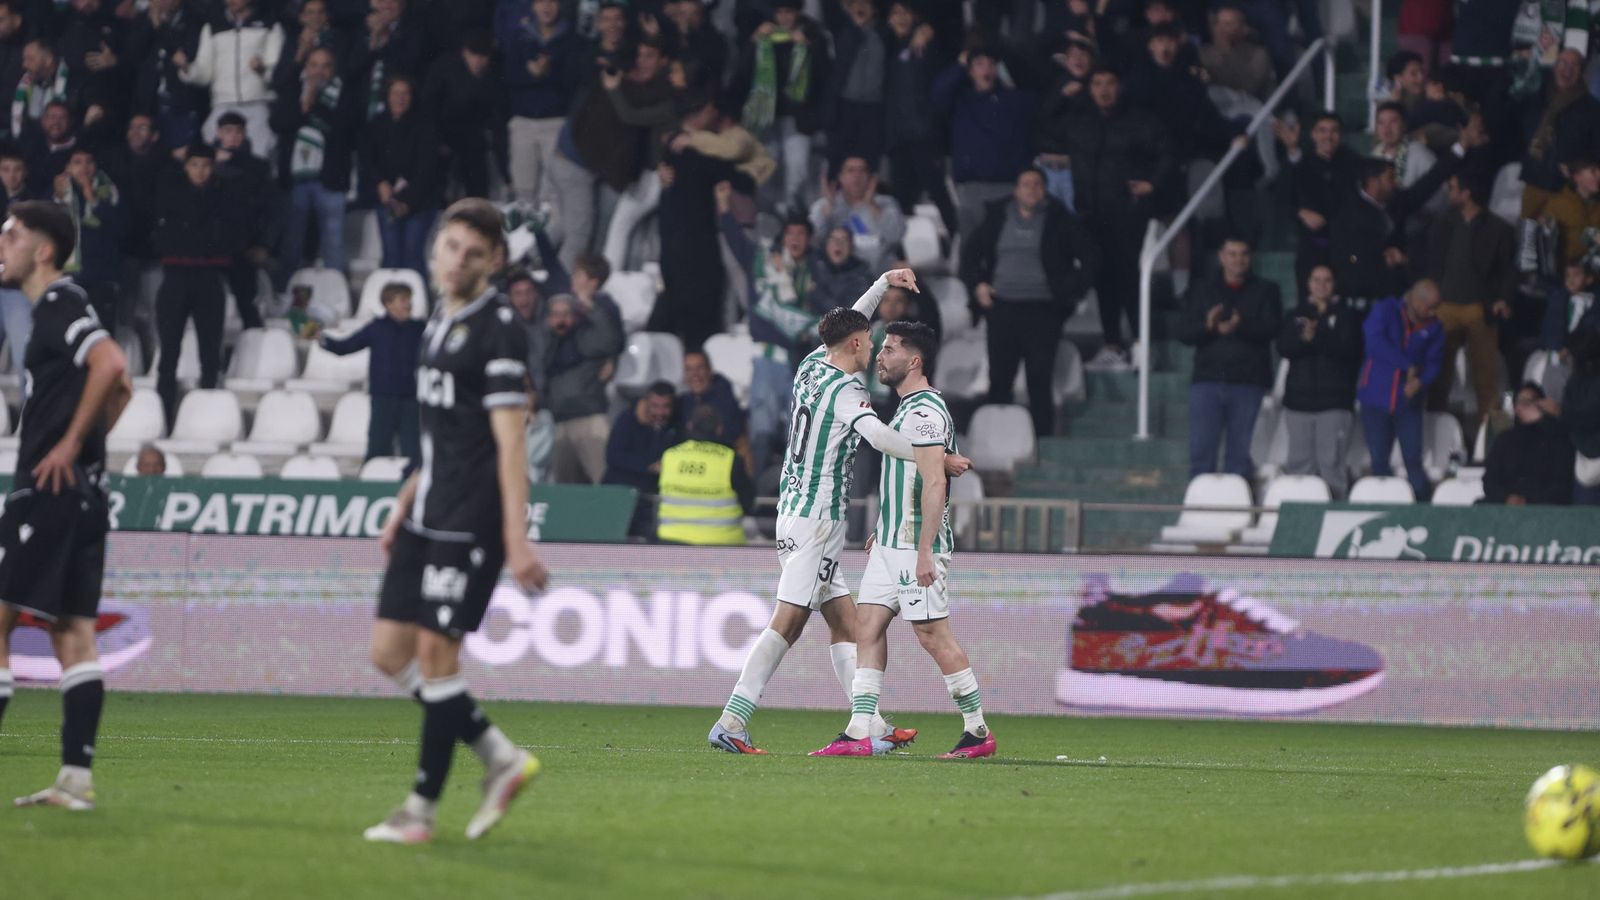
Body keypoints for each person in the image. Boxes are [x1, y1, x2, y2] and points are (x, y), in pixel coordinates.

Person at [709, 268, 970, 756]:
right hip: (816, 519)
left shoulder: (812, 364)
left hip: (799, 510)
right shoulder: (847, 391)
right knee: (788, 621)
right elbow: (878, 437)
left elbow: (852, 320)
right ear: (853, 345)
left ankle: (868, 724)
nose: (873, 348)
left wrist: (882, 283)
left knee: (847, 625)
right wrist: (934, 455)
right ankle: (732, 720)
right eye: (869, 342)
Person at [363, 198, 547, 844]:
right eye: (450, 246)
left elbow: (509, 441)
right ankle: (498, 756)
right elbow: (443, 430)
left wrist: (515, 539)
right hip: (427, 512)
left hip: (468, 523)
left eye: (473, 252)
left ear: (495, 261)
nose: (457, 260)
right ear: (435, 247)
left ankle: (418, 812)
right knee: (389, 653)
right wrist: (404, 501)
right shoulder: (440, 320)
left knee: (438, 658)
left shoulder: (498, 329)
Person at [0, 200, 133, 807]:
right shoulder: (62, 308)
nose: (2, 244)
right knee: (73, 634)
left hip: (47, 490)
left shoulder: (58, 303)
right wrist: (87, 454)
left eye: (12, 235)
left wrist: (69, 445)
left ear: (43, 250)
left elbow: (112, 363)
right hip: (83, 493)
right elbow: (120, 387)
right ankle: (74, 782)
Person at [810, 322, 993, 760]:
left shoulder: (926, 411)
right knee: (867, 629)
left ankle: (977, 731)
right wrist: (885, 525)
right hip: (891, 541)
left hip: (915, 544)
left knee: (932, 635)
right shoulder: (908, 409)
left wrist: (926, 549)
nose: (880, 355)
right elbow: (910, 474)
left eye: (890, 349)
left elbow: (934, 485)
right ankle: (859, 729)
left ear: (914, 361)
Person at [962, 167, 1097, 438]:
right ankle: (998, 440)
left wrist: (1069, 290)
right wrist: (977, 286)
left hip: (1042, 309)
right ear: (1016, 190)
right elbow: (969, 255)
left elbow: (1092, 258)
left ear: (1044, 190)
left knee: (1039, 376)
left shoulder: (1060, 220)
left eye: (1037, 184)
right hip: (1002, 307)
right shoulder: (997, 217)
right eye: (1026, 184)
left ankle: (1041, 440)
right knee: (1000, 379)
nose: (1031, 189)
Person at [151, 144, 242, 423]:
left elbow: (229, 237)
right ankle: (163, 416)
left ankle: (207, 416)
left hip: (209, 278)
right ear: (186, 166)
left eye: (205, 165)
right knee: (168, 353)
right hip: (175, 278)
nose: (200, 172)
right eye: (194, 165)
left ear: (212, 167)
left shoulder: (225, 196)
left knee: (210, 353)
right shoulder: (170, 194)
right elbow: (160, 237)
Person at [1178, 236, 1282, 479]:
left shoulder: (1267, 290)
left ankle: (1238, 513)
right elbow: (1184, 333)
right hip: (1207, 380)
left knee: (1241, 456)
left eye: (1243, 254)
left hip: (1249, 382)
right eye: (1232, 254)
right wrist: (1208, 326)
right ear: (1221, 257)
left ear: (1251, 258)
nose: (1238, 260)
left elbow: (1273, 328)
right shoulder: (1202, 289)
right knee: (1201, 453)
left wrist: (1240, 325)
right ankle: (1200, 508)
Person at [1419, 174, 1516, 431]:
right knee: (1438, 375)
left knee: (1486, 379)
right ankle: (1436, 432)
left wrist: (1503, 299)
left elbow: (1509, 271)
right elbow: (1429, 263)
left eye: (1452, 188)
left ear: (1467, 193)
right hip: (1443, 308)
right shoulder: (1440, 224)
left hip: (1479, 308)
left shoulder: (1499, 229)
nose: (1448, 193)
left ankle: (1489, 439)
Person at [272, 46, 358, 282]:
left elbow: (346, 130)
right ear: (306, 67)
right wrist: (303, 104)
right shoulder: (292, 90)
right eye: (314, 65)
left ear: (333, 70)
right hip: (295, 181)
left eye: (325, 65)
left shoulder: (345, 93)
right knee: (292, 242)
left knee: (333, 244)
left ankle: (336, 296)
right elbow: (278, 123)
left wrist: (314, 103)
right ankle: (284, 296)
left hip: (330, 180)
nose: (319, 71)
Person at [317, 282, 426, 467]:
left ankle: (414, 490)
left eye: (409, 300)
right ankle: (371, 485)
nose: (408, 304)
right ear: (388, 303)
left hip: (411, 399)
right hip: (383, 397)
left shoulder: (420, 328)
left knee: (413, 449)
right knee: (378, 446)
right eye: (403, 300)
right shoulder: (376, 328)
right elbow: (345, 346)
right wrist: (320, 338)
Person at [1277, 265, 1362, 498]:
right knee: (1299, 464)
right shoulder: (1294, 315)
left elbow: (1350, 350)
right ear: (1309, 284)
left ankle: (1333, 517)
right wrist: (1304, 340)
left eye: (1327, 280)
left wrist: (1319, 336)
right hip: (1299, 402)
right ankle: (1301, 518)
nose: (1321, 285)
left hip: (1334, 402)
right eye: (1317, 280)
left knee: (1331, 464)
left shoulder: (1347, 316)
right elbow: (1284, 348)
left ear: (1334, 284)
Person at [1359, 279, 1446, 499]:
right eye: (1430, 306)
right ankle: (1384, 506)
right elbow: (1374, 344)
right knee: (1379, 460)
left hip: (1408, 402)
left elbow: (1435, 362)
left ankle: (1422, 511)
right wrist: (1407, 365)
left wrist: (1421, 381)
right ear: (1417, 301)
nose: (1433, 312)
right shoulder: (1385, 309)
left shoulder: (1434, 326)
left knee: (1413, 460)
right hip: (1375, 398)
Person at [178, 0, 284, 157]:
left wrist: (262, 70)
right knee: (217, 159)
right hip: (222, 103)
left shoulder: (270, 23)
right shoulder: (212, 25)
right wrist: (186, 68)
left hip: (257, 103)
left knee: (259, 158)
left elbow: (277, 72)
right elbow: (205, 73)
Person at [361, 75, 441, 281]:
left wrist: (408, 201)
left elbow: (428, 169)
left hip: (420, 202)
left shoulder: (425, 126)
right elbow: (367, 160)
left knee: (412, 255)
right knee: (391, 257)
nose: (400, 98)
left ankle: (418, 308)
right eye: (395, 93)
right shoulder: (375, 125)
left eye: (405, 93)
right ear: (387, 96)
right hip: (388, 200)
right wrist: (380, 183)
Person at [541, 292, 619, 484]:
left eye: (566, 314)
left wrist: (590, 308)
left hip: (590, 420)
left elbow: (611, 339)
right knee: (563, 488)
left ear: (575, 316)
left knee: (603, 482)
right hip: (558, 424)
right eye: (556, 314)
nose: (561, 320)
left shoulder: (586, 338)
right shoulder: (544, 342)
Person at [656, 407, 755, 546]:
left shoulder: (669, 456)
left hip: (672, 541)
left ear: (690, 426)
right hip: (722, 543)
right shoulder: (730, 460)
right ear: (719, 428)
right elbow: (748, 502)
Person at [602, 381, 680, 538]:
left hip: (651, 501)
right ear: (646, 403)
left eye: (666, 406)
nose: (660, 412)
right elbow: (613, 456)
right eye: (655, 406)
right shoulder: (628, 420)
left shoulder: (676, 424)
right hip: (620, 496)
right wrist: (649, 466)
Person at [809, 155, 906, 272]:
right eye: (850, 170)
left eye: (862, 170)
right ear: (840, 177)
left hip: (881, 276)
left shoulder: (885, 203)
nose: (857, 176)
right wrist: (828, 210)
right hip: (838, 278)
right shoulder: (823, 206)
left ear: (871, 178)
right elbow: (812, 242)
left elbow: (895, 236)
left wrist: (872, 205)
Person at [1484, 382, 1575, 505]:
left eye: (1534, 401)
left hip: (1543, 509)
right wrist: (1507, 498)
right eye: (1524, 403)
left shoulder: (1556, 439)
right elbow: (1490, 480)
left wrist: (1528, 501)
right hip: (1505, 507)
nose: (1530, 406)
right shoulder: (1505, 440)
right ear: (1516, 408)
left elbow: (1561, 484)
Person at [678, 349, 746, 450]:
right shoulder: (681, 403)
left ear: (709, 370)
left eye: (700, 368)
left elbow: (741, 442)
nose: (695, 375)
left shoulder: (726, 401)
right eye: (689, 369)